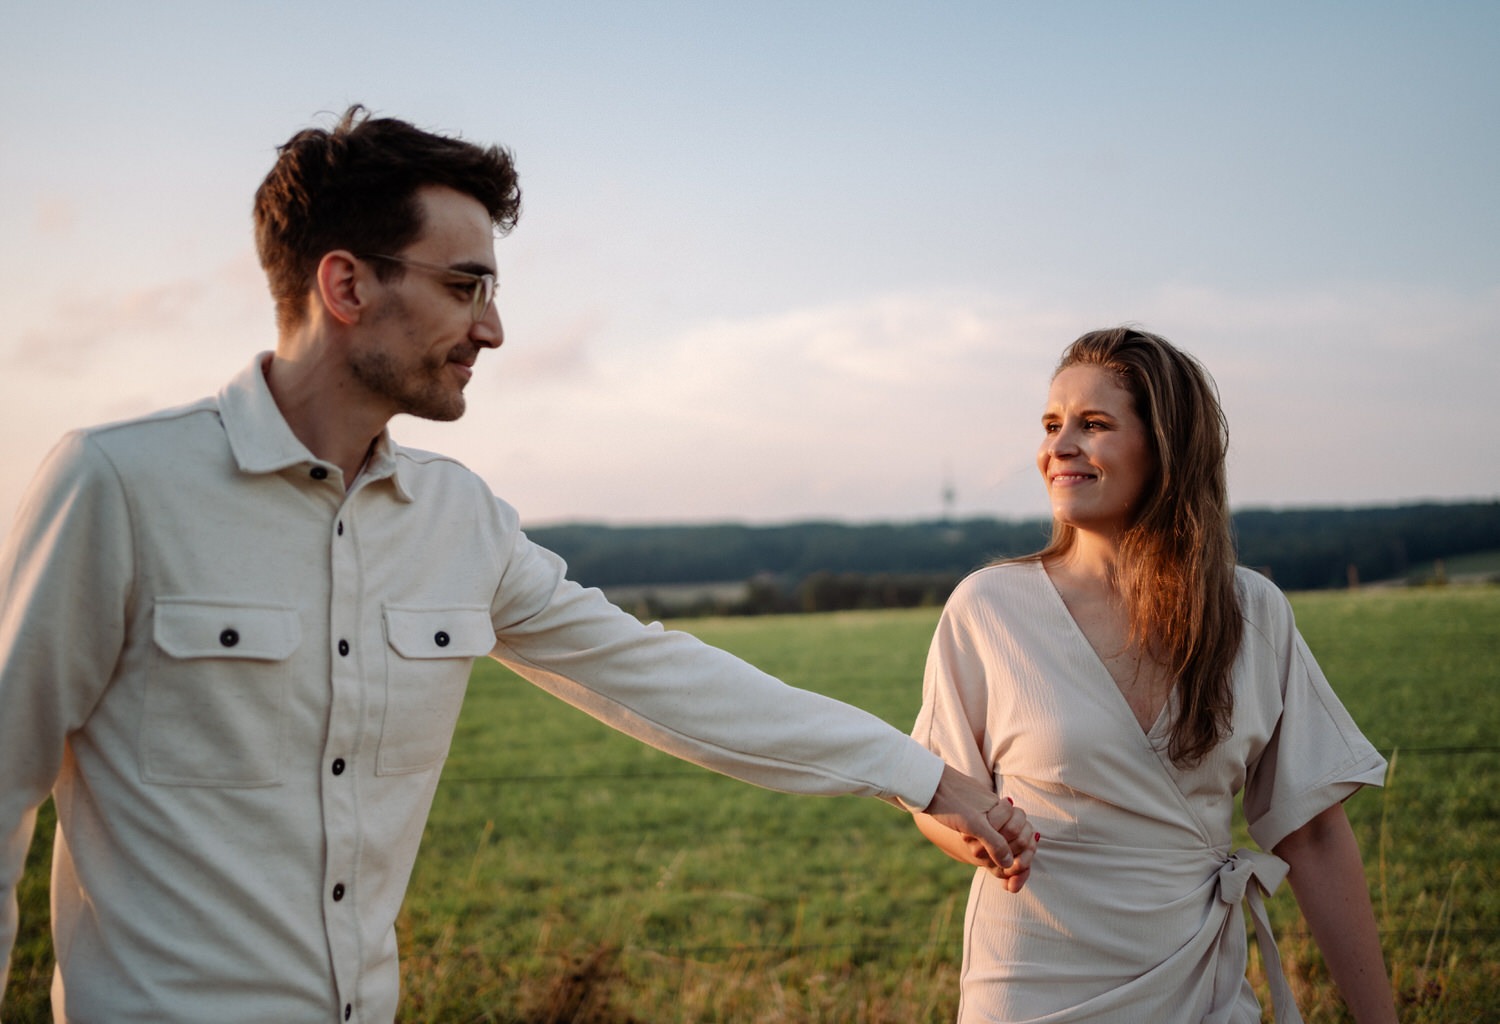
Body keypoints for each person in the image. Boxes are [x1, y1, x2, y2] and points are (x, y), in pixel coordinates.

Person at [0, 105, 1037, 1023]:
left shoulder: (462, 521)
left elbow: (661, 677)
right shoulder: (118, 486)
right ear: (346, 283)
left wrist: (923, 775)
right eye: (465, 286)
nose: (491, 329)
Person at [910, 327, 1396, 1023]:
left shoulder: (1251, 613)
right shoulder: (988, 608)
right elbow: (938, 792)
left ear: (1165, 447)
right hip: (1033, 984)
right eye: (1051, 425)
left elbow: (1312, 834)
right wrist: (983, 836)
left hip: (1199, 984)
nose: (1059, 448)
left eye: (1094, 424)